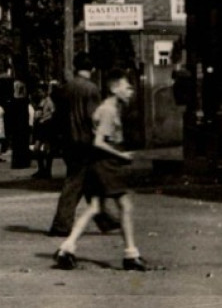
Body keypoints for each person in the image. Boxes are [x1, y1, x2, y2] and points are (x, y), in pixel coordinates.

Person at [54, 73, 151, 271]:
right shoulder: (108, 110)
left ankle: (67, 248)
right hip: (106, 164)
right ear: (115, 89)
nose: (131, 92)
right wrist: (121, 156)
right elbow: (98, 142)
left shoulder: (107, 107)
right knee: (125, 205)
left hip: (97, 163)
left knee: (95, 208)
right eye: (127, 87)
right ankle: (130, 254)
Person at [49, 53, 119, 237]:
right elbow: (94, 118)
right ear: (92, 68)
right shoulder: (91, 89)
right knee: (75, 182)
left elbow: (58, 115)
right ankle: (61, 225)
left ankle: (106, 220)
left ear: (74, 67)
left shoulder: (66, 88)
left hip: (68, 141)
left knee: (89, 181)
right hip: (86, 142)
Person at [33, 85, 58, 178]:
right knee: (37, 149)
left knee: (47, 149)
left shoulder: (49, 101)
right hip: (40, 126)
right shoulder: (41, 101)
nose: (39, 93)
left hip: (47, 126)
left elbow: (53, 112)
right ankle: (41, 169)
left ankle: (47, 170)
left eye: (40, 91)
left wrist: (45, 119)